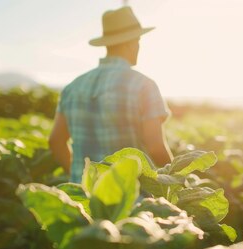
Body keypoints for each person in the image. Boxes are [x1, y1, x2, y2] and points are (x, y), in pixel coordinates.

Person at [49, 6, 173, 183]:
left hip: (84, 201)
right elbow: (155, 148)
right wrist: (177, 181)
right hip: (131, 201)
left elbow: (55, 141)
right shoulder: (143, 85)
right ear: (131, 43)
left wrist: (78, 177)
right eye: (138, 41)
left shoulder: (72, 87)